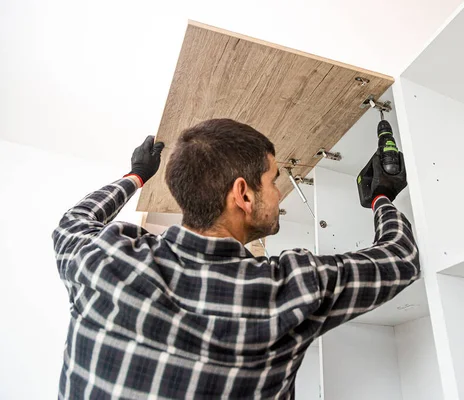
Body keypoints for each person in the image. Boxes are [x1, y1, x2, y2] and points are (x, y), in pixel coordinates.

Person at [52, 118, 420, 399]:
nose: (278, 193)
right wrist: (381, 197)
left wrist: (136, 175)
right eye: (274, 180)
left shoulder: (101, 260)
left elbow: (73, 221)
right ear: (243, 195)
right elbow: (401, 258)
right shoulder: (286, 290)